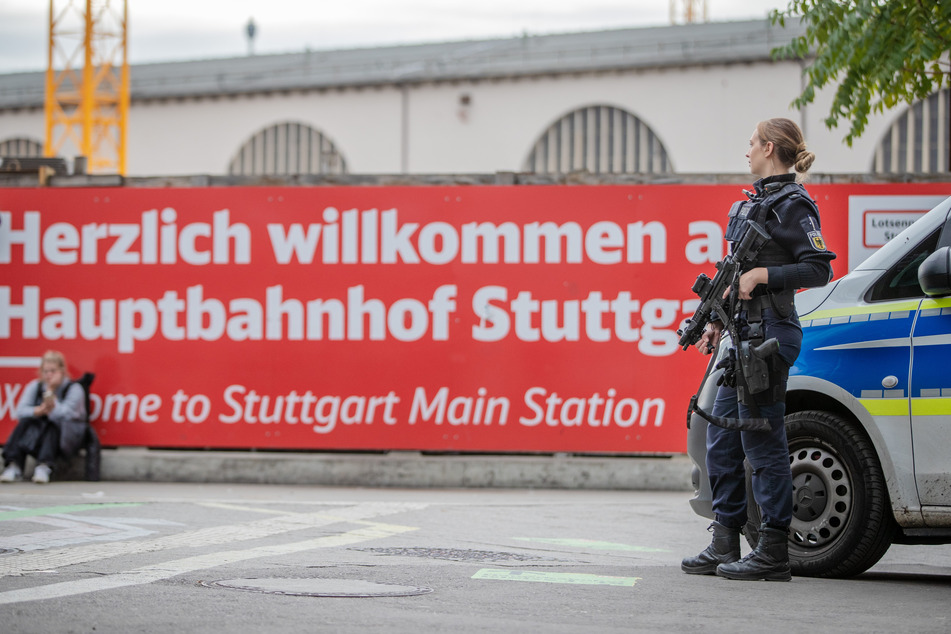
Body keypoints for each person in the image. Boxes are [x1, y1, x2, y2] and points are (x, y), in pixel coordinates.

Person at [681, 118, 836, 581]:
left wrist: (762, 277)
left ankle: (773, 552)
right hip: (743, 337)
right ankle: (725, 541)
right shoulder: (755, 205)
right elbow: (734, 275)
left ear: (769, 147)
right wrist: (716, 323)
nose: (745, 151)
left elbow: (818, 269)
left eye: (751, 143)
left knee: (763, 445)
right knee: (721, 440)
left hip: (770, 338)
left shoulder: (794, 206)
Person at [0, 351, 87, 484]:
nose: (49, 375)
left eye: (53, 371)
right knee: (25, 422)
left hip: (66, 439)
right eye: (46, 371)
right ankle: (14, 466)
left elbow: (67, 415)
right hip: (38, 436)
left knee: (52, 423)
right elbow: (20, 411)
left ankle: (44, 466)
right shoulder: (35, 386)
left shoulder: (74, 389)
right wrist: (38, 411)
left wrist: (51, 395)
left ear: (62, 371)